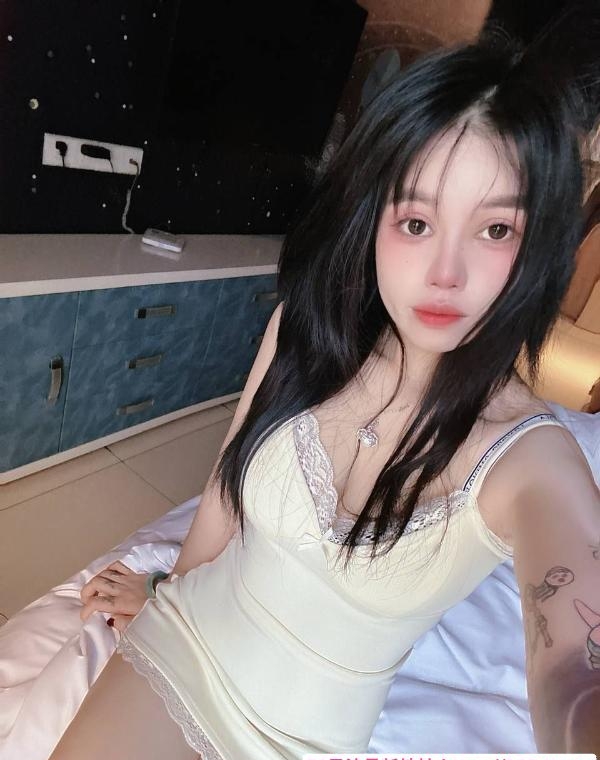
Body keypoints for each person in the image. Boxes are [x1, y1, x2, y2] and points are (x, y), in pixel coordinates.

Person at [49, 36, 600, 760]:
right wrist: (164, 590)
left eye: (495, 229)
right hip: (184, 639)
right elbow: (226, 489)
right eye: (416, 223)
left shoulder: (532, 460)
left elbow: (577, 677)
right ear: (373, 218)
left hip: (303, 743)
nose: (447, 272)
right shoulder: (306, 330)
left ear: (537, 247)